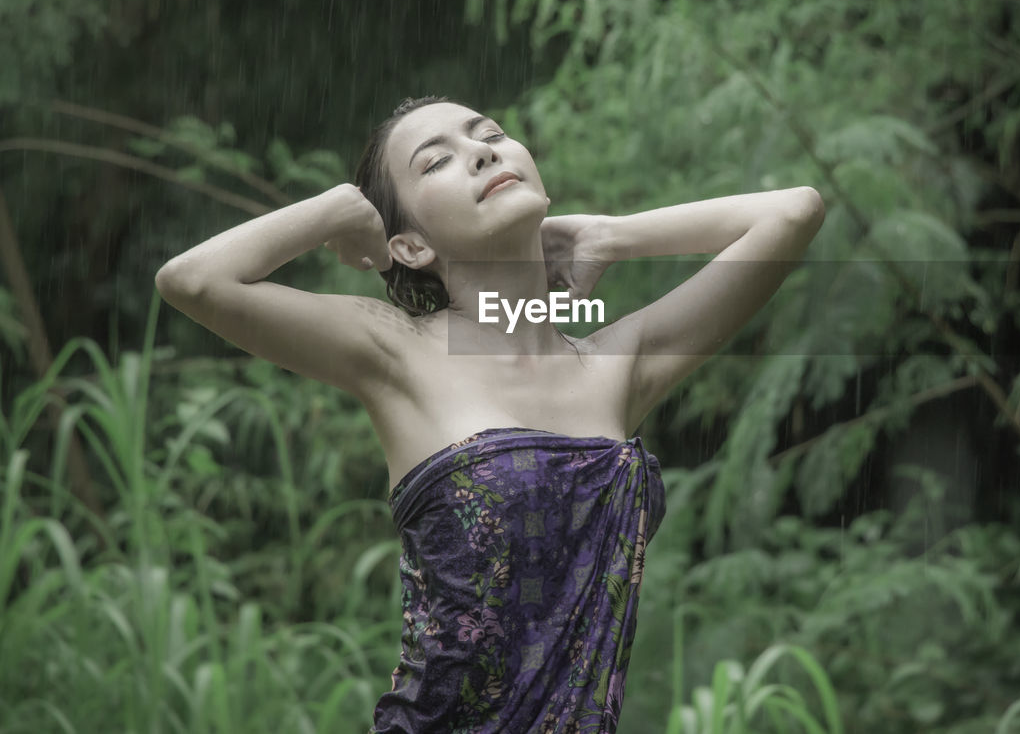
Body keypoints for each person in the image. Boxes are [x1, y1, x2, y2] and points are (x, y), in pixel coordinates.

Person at [154, 95, 825, 733]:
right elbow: (192, 280)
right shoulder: (398, 351)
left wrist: (613, 235)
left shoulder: (617, 364)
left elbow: (793, 213)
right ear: (411, 245)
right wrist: (338, 210)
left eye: (491, 135)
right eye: (434, 160)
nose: (480, 152)